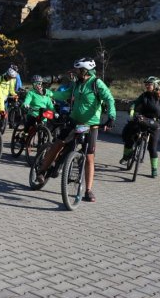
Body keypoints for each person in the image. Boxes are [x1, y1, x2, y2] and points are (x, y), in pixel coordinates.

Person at [35, 57, 115, 203]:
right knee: (58, 144)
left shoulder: (97, 84)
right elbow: (63, 95)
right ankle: (42, 171)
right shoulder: (76, 84)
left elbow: (109, 99)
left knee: (90, 157)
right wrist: (47, 92)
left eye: (77, 70)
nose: (75, 72)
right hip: (74, 121)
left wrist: (111, 116)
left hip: (91, 125)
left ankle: (88, 190)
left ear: (85, 71)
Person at [120, 76, 160, 178]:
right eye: (146, 84)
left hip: (154, 122)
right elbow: (135, 103)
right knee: (129, 134)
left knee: (152, 148)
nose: (147, 86)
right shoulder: (144, 95)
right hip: (142, 119)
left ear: (156, 85)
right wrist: (132, 109)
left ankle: (154, 169)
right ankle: (127, 155)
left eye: (150, 84)